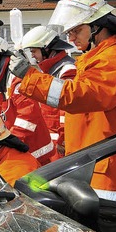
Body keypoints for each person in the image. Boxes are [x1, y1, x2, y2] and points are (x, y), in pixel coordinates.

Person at [9, 0, 116, 203]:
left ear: (98, 26)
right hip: (101, 166)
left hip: (114, 175)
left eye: (76, 30)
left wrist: (30, 78)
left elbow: (79, 96)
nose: (71, 38)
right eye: (69, 32)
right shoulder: (103, 58)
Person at [0, 32, 54, 165]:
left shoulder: (15, 76)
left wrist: (9, 142)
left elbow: (28, 117)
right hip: (17, 147)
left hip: (33, 150)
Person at [19, 26, 77, 160]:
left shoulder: (66, 70)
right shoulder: (53, 70)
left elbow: (68, 111)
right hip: (54, 143)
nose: (32, 56)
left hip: (62, 145)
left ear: (46, 48)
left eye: (34, 51)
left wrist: (63, 139)